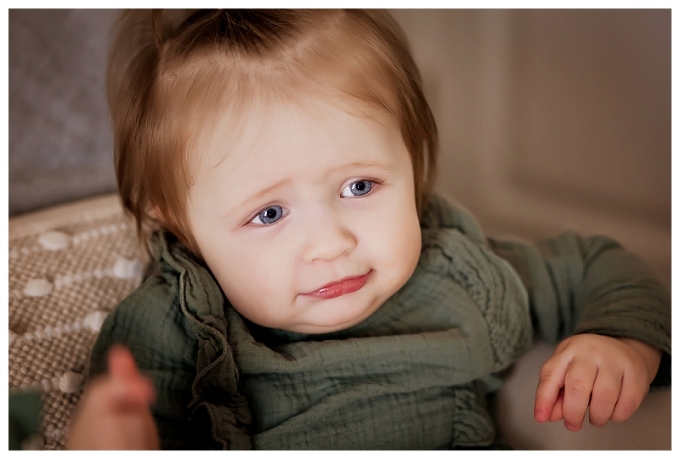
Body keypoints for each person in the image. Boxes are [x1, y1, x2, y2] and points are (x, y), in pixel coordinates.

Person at [67, 9, 670, 449]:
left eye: (360, 187)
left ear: (412, 159)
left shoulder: (461, 270)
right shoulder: (173, 330)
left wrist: (619, 343)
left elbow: (595, 266)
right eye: (269, 214)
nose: (333, 244)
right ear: (181, 225)